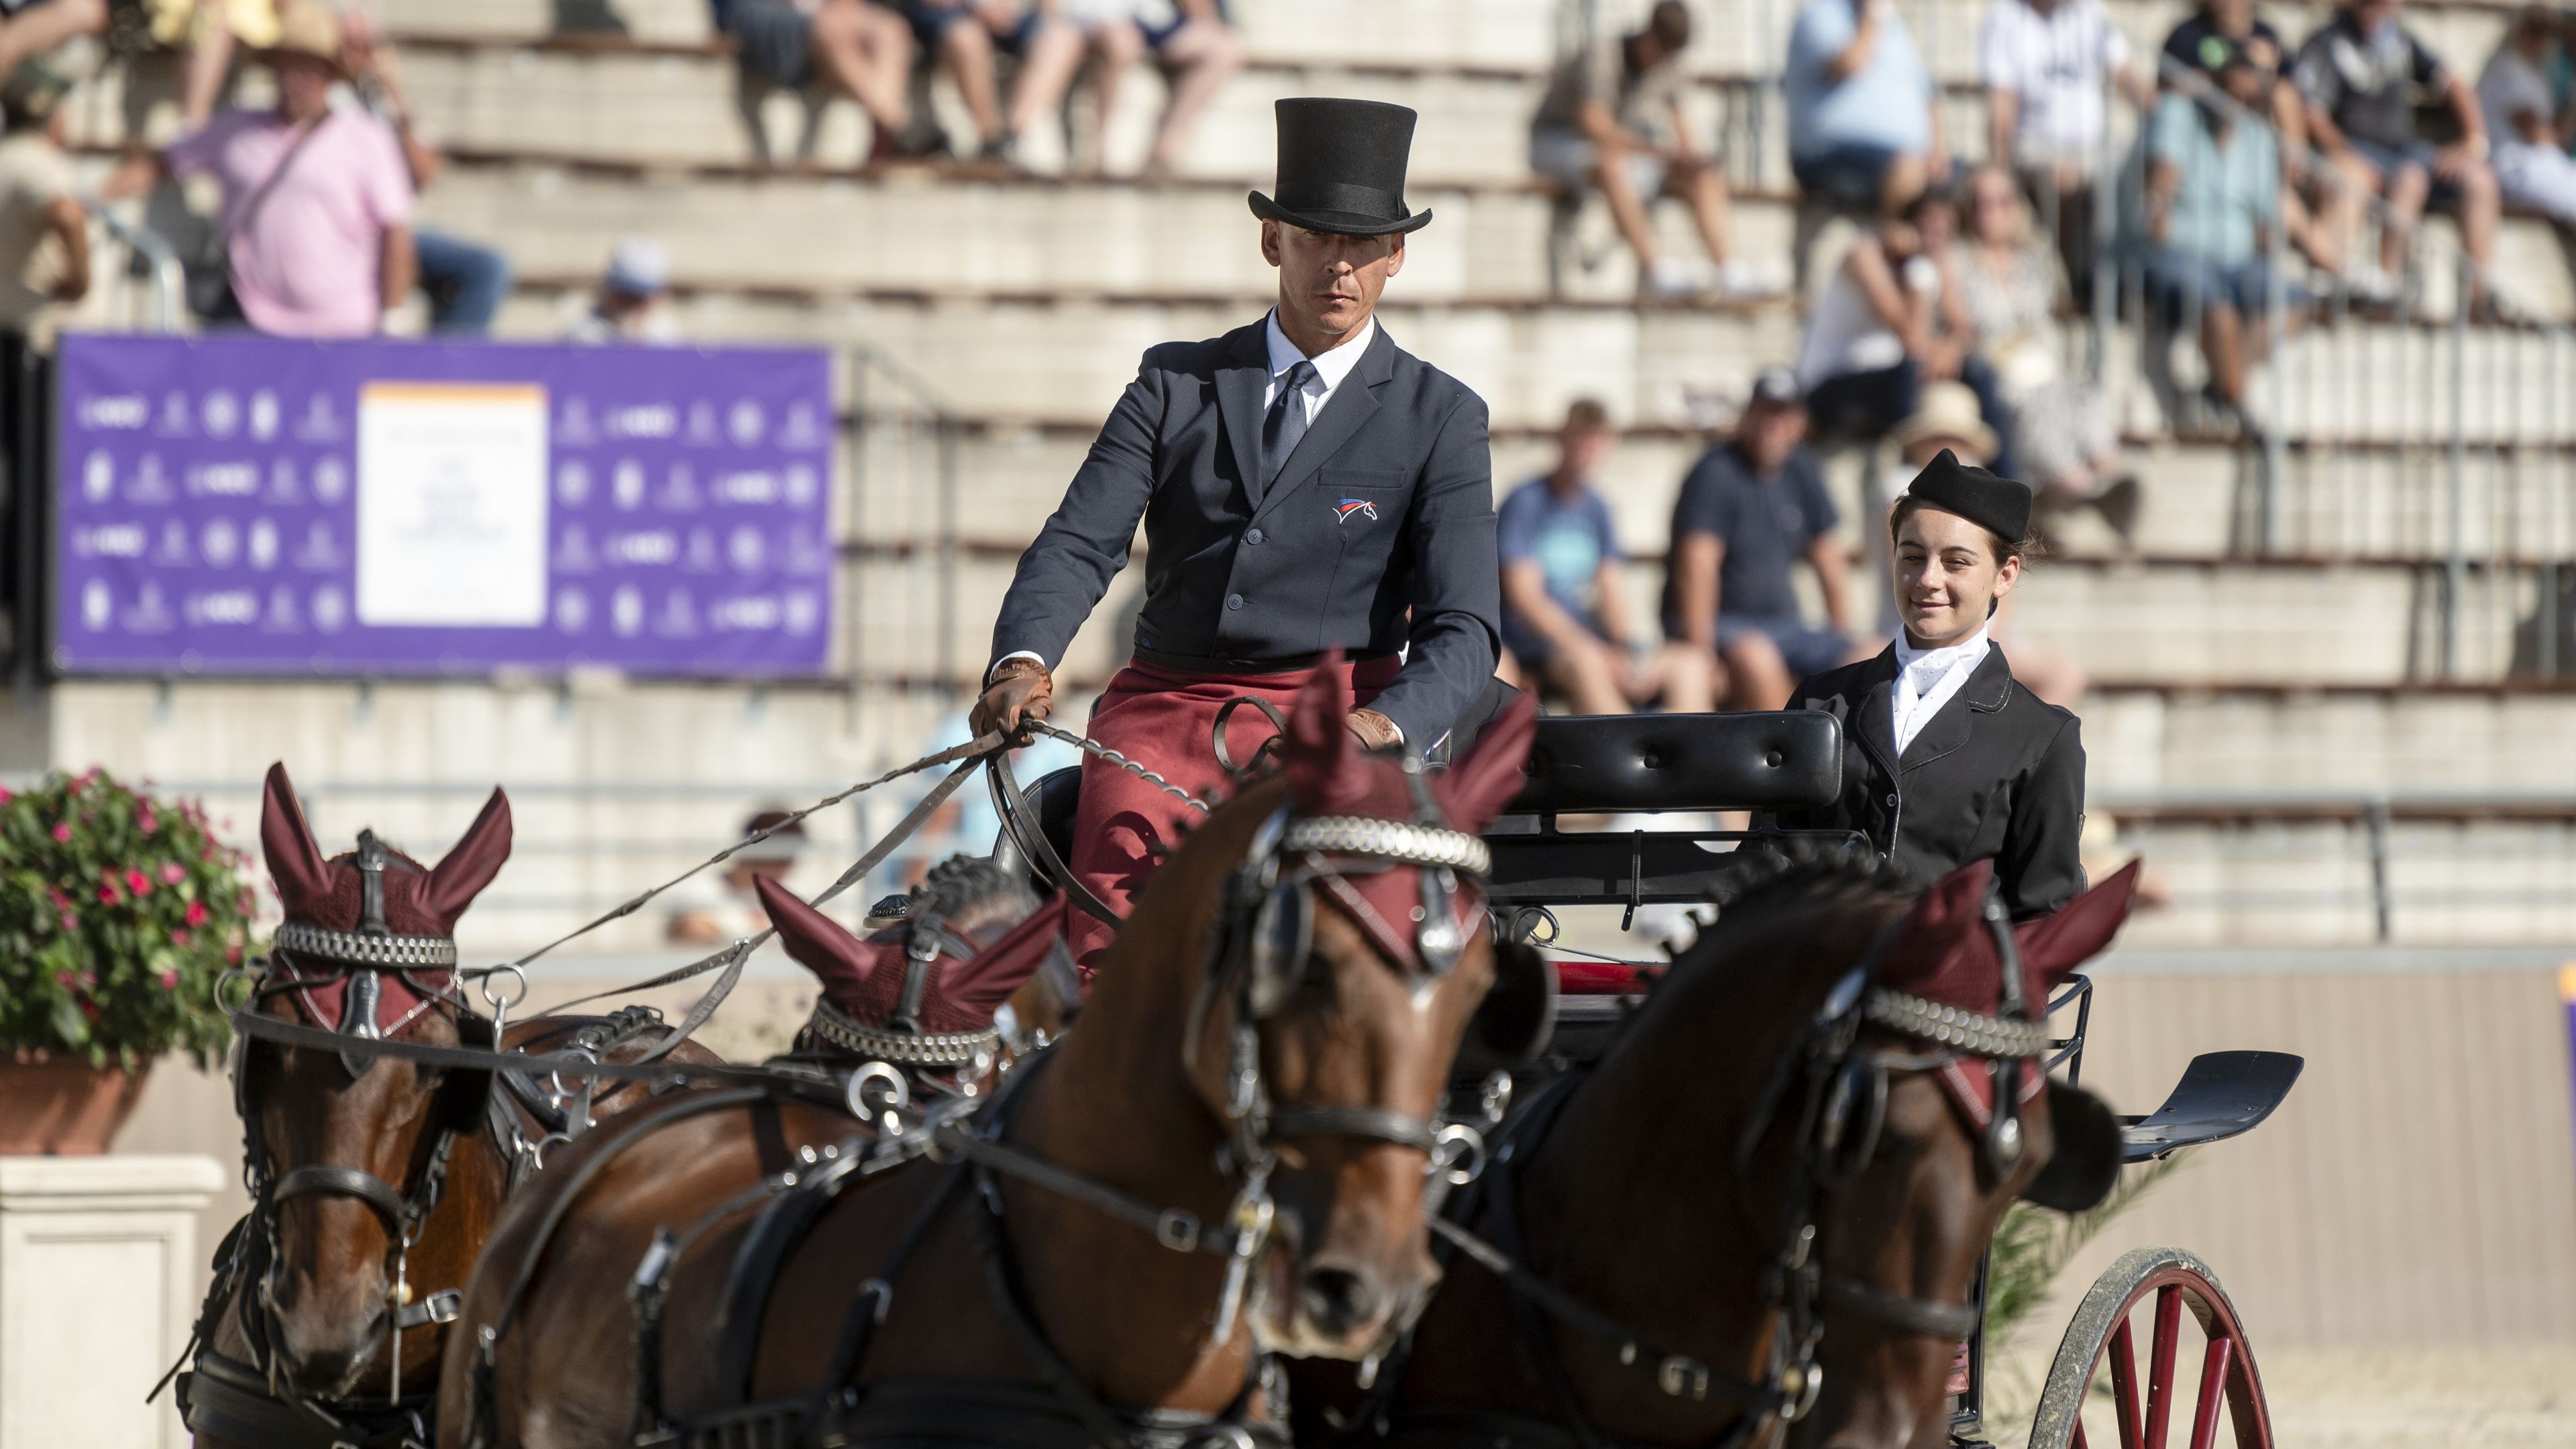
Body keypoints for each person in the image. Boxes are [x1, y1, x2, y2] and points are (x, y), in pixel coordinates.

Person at [968, 99, 1500, 969]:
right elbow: (1079, 542)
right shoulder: (1172, 385)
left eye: (1364, 245)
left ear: (1396, 255)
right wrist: (1023, 662)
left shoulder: (1440, 416)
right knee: (1113, 954)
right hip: (1161, 718)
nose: (1340, 266)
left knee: (1335, 962)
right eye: (1318, 238)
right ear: (1272, 241)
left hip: (1337, 729)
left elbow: (1465, 630)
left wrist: (1376, 727)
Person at [1772, 449, 2086, 920]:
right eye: (1912, 556)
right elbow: (1768, 865)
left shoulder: (2043, 737)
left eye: (1956, 562)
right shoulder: (1820, 702)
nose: (1927, 580)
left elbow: (2043, 918)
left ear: (2005, 575)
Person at [106, 5, 415, 337]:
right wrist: (95, 195)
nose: (295, 80)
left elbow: (395, 231)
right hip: (249, 318)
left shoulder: (367, 137)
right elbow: (162, 163)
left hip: (344, 329)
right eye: (288, 67)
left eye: (307, 68)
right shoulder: (236, 128)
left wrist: (392, 316)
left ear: (330, 74)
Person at [1661, 368, 1866, 712]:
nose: (1773, 424)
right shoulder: (1715, 472)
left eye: (1783, 414)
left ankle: (1858, 761)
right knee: (1758, 658)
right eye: (1765, 412)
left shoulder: (1803, 468)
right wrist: (1704, 654)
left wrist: (1839, 634)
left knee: (1868, 655)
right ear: (1748, 416)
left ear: (1799, 421)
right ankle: (1795, 758)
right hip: (1725, 625)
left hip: (1784, 626)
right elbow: (1697, 566)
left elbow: (1828, 556)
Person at [1497, 398, 1717, 715]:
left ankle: (1691, 758)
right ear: (1563, 440)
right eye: (1581, 438)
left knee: (1689, 664)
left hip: (1590, 639)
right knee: (1588, 663)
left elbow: (1612, 588)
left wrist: (1628, 649)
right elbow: (1526, 599)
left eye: (1596, 440)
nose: (1588, 449)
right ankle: (1623, 752)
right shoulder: (1526, 502)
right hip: (1536, 643)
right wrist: (1584, 644)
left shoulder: (1597, 507)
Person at [1954, 165, 2137, 541]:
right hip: (1993, 370)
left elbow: (2042, 327)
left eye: (2002, 202)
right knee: (2035, 403)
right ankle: (2079, 489)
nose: (1992, 212)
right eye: (1982, 203)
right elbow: (1967, 330)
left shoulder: (2033, 264)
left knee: (2076, 393)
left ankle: (2108, 473)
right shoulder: (1959, 263)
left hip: (2035, 365)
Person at [1878, 382, 2087, 708]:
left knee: (2064, 675)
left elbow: (2000, 575)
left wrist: (1993, 637)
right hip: (1901, 630)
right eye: (1938, 437)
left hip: (1981, 630)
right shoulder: (1897, 488)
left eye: (1956, 438)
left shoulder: (1982, 500)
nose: (1947, 448)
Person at [1530, 0, 1758, 299]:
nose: (1665, 61)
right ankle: (1657, 271)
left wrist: (1690, 158)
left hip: (1625, 149)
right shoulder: (1603, 54)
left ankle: (1729, 271)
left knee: (1703, 174)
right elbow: (1595, 126)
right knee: (1611, 165)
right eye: (1663, 51)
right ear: (1649, 35)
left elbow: (1683, 128)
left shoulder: (1670, 64)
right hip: (1558, 142)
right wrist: (1657, 151)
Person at [1798, 188, 2019, 477]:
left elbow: (1965, 327)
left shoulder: (1934, 260)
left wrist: (1952, 346)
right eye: (1929, 224)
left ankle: (2005, 487)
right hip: (1831, 382)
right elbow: (1910, 337)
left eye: (1946, 228)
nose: (1937, 235)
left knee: (1979, 372)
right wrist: (1921, 272)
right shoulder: (1865, 253)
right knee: (1911, 374)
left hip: (1891, 378)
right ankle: (1910, 486)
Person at [2293, 0, 2499, 307]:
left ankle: (2480, 298)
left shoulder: (2401, 40)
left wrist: (2473, 141)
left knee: (2480, 179)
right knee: (2393, 178)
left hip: (2405, 151)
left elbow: (2454, 84)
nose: (2378, 6)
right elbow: (2312, 113)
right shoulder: (2327, 41)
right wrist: (2346, 153)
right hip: (2357, 150)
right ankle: (2388, 287)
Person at [2143, 41, 2290, 427]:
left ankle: (2224, 383)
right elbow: (2160, 187)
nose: (2237, 99)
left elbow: (2266, 224)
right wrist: (2158, 223)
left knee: (2292, 302)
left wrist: (2267, 259)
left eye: (2247, 93)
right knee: (2218, 308)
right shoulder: (2178, 113)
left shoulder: (2258, 136)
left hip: (2238, 261)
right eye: (2231, 89)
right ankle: (2243, 410)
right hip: (2185, 253)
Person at [339, 13, 513, 335]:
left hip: (398, 234)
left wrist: (397, 98)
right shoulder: (330, 104)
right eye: (352, 46)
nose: (362, 57)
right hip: (350, 232)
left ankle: (444, 368)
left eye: (370, 47)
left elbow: (426, 174)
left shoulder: (385, 106)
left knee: (487, 268)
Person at [1980, 0, 2147, 303]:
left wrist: (2162, 111)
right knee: (2064, 179)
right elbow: (2002, 105)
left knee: (2146, 171)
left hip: (2096, 147)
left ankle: (2119, 279)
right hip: (2037, 146)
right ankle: (2079, 282)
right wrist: (1999, 167)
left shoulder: (2090, 12)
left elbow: (2127, 76)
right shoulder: (2005, 17)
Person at [710, 0, 930, 160]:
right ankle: (901, 127)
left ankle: (891, 129)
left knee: (891, 30)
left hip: (822, 12)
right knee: (832, 32)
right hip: (758, 10)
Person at [1785, 0, 1942, 217]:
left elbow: (1926, 94)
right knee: (1908, 169)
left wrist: (1938, 149)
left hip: (1901, 156)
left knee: (1978, 183)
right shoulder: (1821, 14)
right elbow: (1850, 64)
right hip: (1831, 151)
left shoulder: (1894, 26)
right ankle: (1889, 232)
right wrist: (1873, 16)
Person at [1063, 0, 1241, 178]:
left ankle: (1163, 152)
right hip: (1095, 16)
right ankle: (1098, 153)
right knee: (1119, 42)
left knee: (1226, 50)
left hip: (1147, 17)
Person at [899, 0, 1081, 163]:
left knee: (1063, 35)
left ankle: (1011, 138)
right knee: (967, 35)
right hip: (951, 14)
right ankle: (991, 139)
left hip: (1014, 15)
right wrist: (978, 6)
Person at [0, 62, 89, 352]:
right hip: (35, 333)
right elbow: (67, 213)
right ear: (55, 117)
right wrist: (80, 281)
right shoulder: (40, 163)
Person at [2479, 7, 2576, 227]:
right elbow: (2541, 136)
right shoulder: (2506, 68)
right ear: (2521, 29)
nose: (2543, 39)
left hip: (2541, 165)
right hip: (2514, 168)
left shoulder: (2535, 71)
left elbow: (2558, 140)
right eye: (2536, 29)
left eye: (2551, 32)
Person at [665, 809, 804, 944]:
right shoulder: (702, 890)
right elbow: (693, 932)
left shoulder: (788, 897)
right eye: (783, 860)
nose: (788, 868)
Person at [570, 237, 682, 343]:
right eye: (625, 295)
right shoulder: (581, 340)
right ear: (608, 292)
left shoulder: (672, 340)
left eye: (641, 298)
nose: (632, 305)